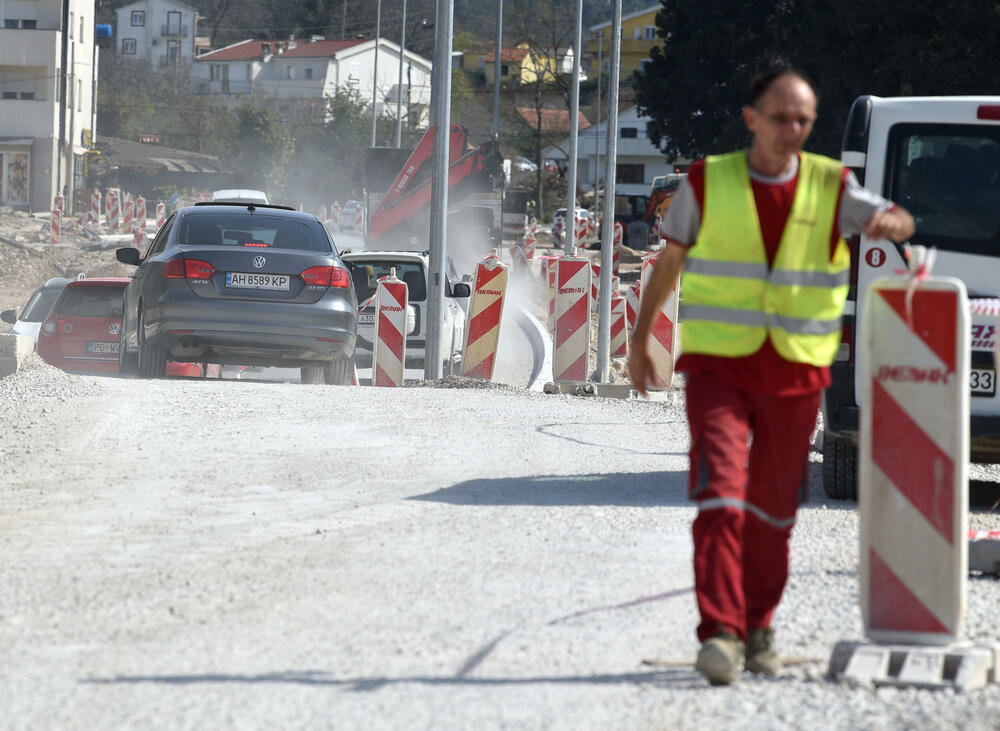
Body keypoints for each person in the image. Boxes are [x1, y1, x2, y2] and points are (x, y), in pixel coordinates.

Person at [628, 68, 914, 686]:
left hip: (795, 375)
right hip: (718, 372)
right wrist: (639, 340)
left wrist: (894, 223)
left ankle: (758, 627)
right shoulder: (708, 182)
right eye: (781, 117)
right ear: (751, 118)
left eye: (804, 121)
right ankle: (720, 635)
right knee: (720, 499)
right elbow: (669, 262)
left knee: (774, 514)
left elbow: (895, 218)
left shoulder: (833, 186)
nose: (793, 130)